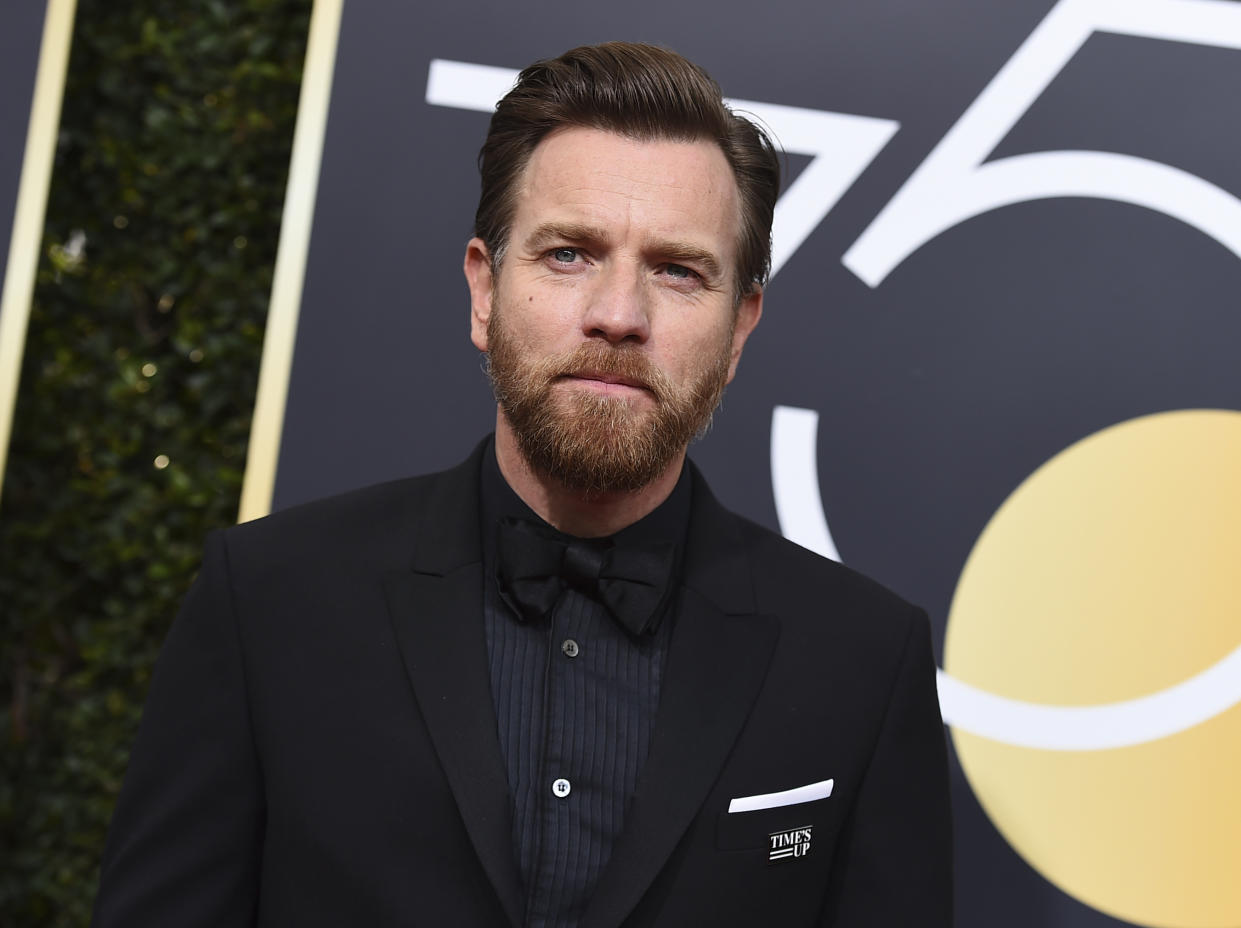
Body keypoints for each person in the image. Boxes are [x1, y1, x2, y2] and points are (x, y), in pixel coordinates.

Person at [92, 42, 952, 928]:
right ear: (483, 289)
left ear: (738, 329)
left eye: (677, 270)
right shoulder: (268, 600)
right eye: (569, 254)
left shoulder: (861, 662)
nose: (618, 316)